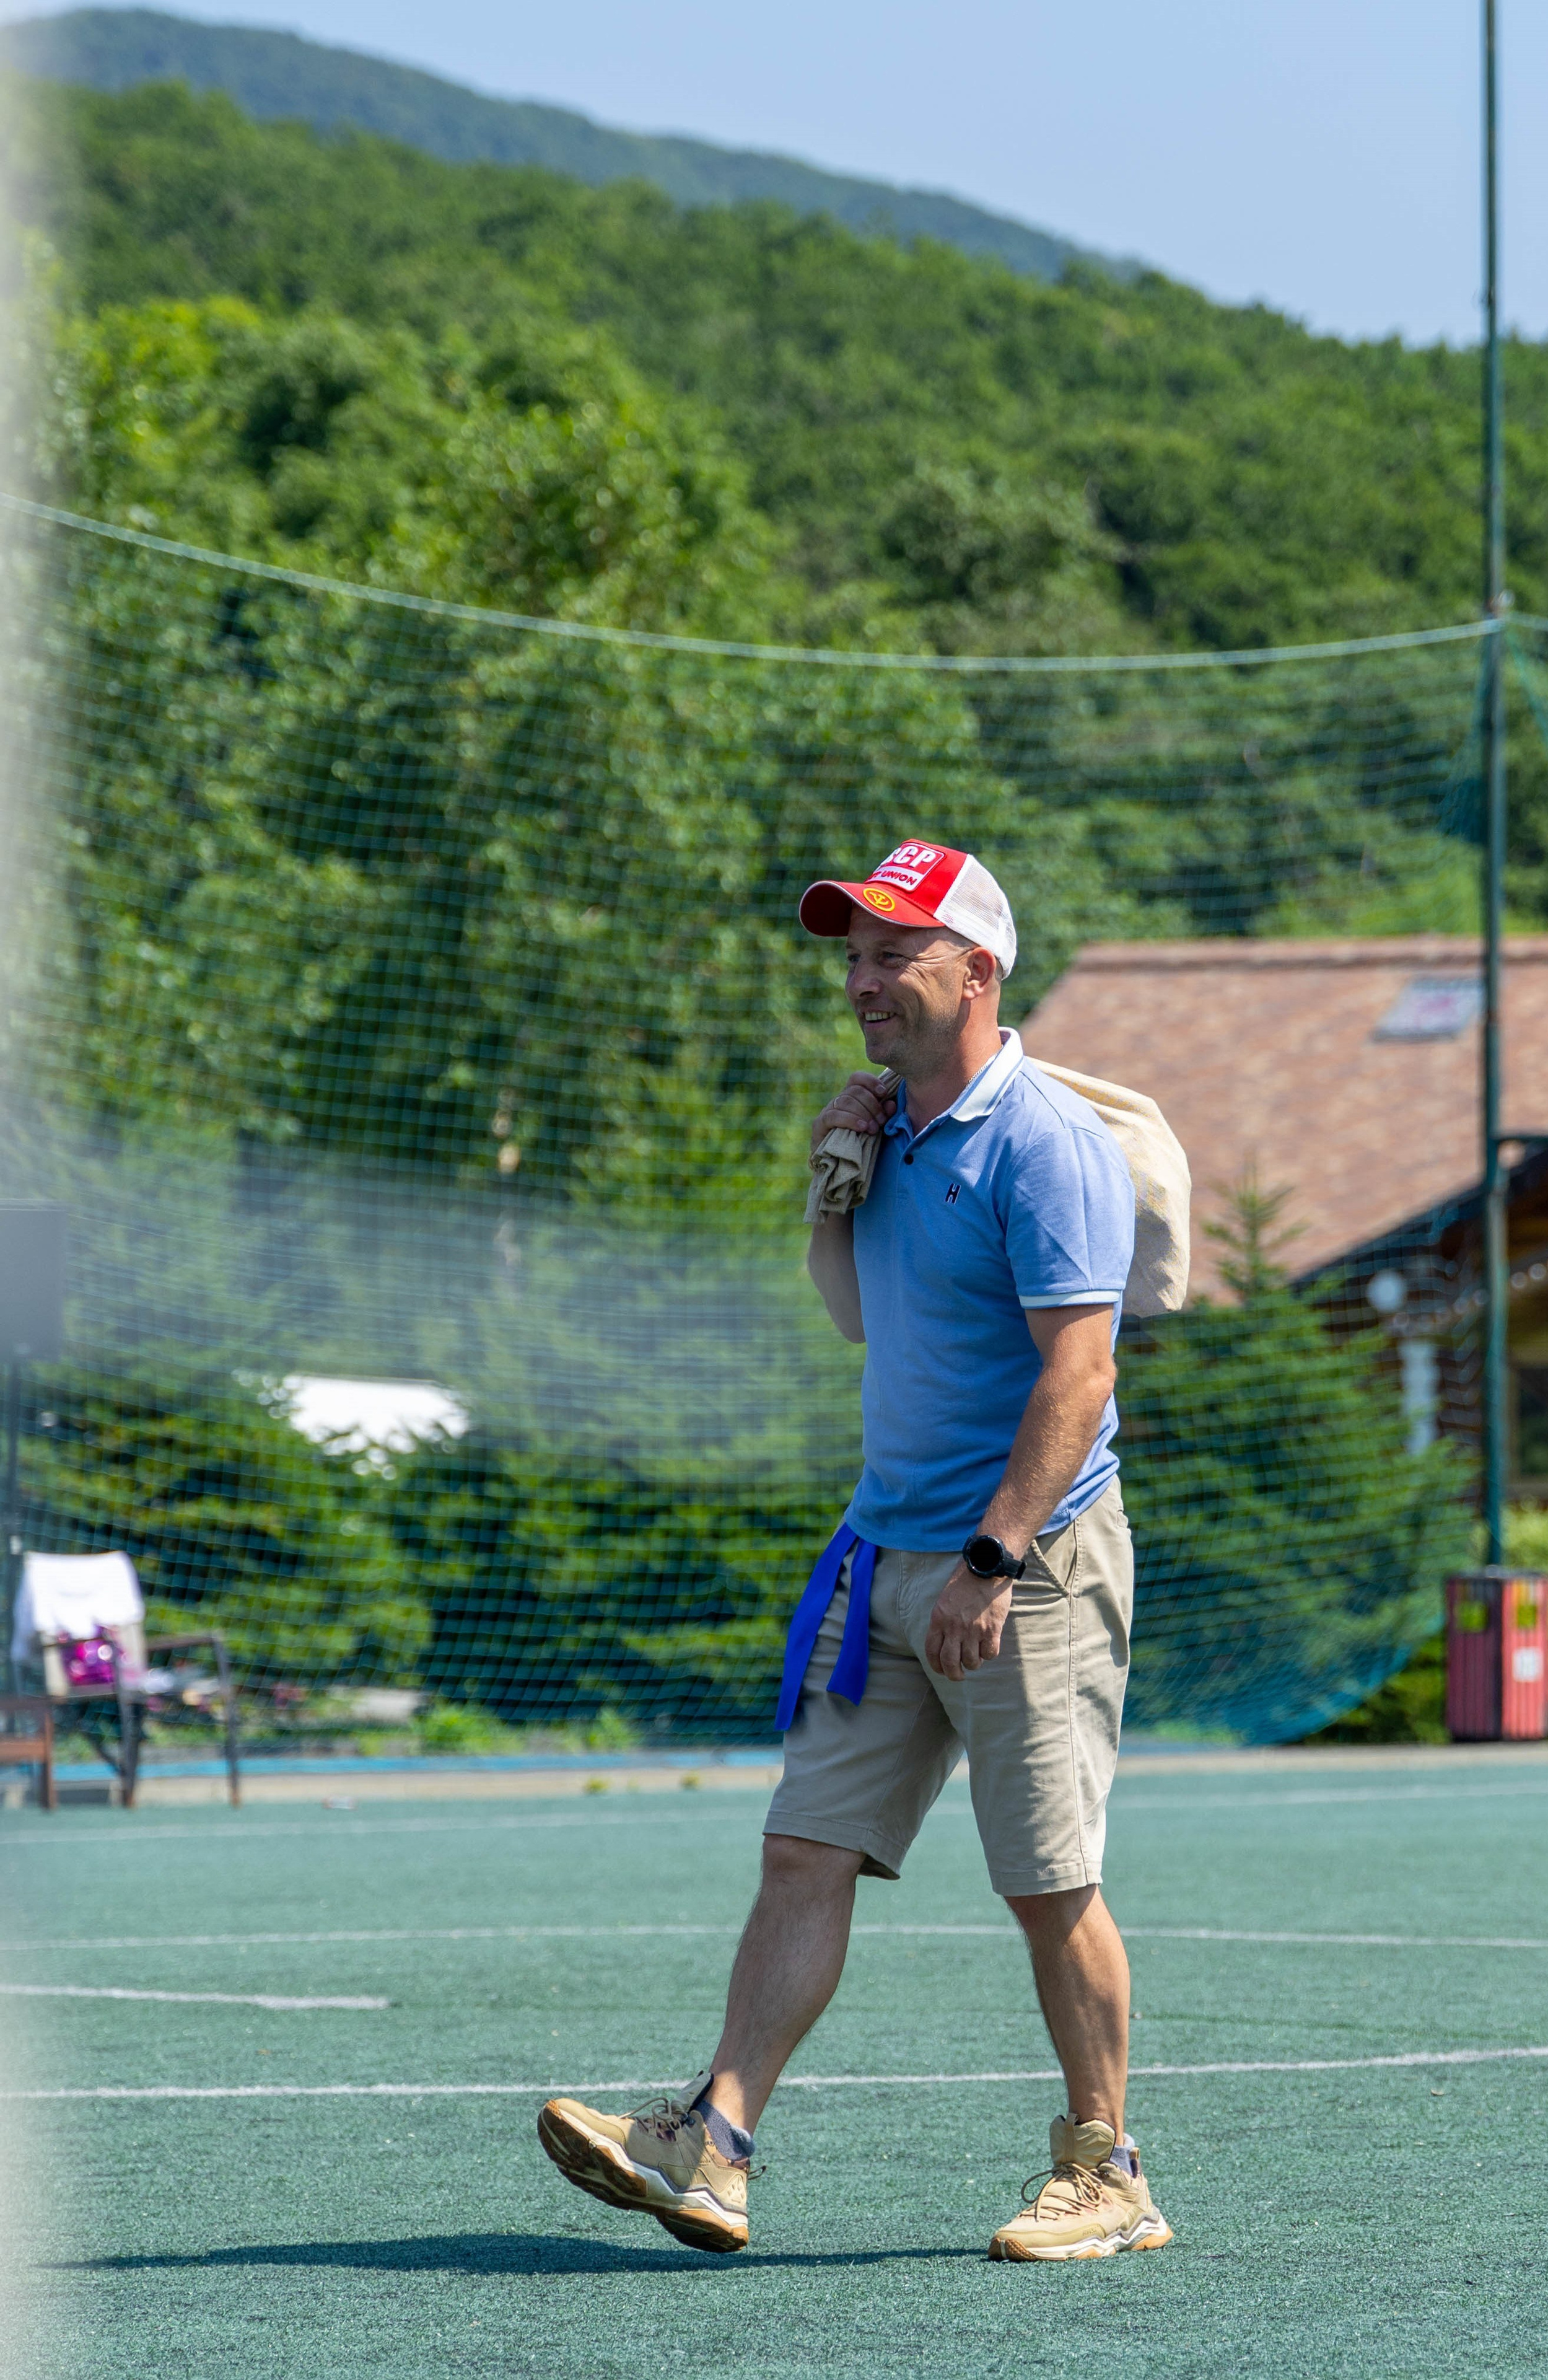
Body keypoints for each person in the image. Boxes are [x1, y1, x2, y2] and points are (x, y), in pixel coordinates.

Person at [538, 838, 1171, 2263]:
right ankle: (713, 2144)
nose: (864, 979)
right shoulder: (886, 1127)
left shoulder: (1043, 1142)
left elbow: (1078, 1378)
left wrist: (993, 1560)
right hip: (881, 1553)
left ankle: (1109, 2171)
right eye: (852, 954)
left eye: (894, 951)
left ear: (977, 970)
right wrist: (832, 1187)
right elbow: (857, 1316)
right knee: (800, 1851)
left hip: (1027, 1565)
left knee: (1045, 1879)